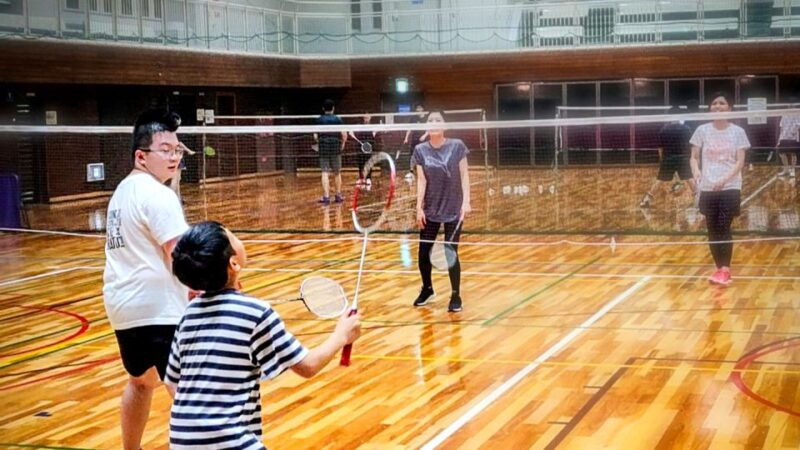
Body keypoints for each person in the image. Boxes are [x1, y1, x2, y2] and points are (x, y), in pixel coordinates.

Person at [167, 221, 361, 449]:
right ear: (233, 263)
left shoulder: (189, 314)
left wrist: (200, 422)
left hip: (181, 439)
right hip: (231, 439)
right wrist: (341, 335)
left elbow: (172, 380)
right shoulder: (256, 313)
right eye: (233, 237)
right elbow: (308, 366)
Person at [103, 109, 190, 450]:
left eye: (177, 149)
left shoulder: (122, 192)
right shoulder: (157, 195)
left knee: (141, 382)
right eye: (165, 150)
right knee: (187, 393)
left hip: (124, 307)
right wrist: (210, 288)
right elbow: (179, 254)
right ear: (141, 156)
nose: (174, 157)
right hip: (160, 311)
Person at [411, 111, 471, 312]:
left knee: (450, 252)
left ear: (445, 125)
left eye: (438, 120)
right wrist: (419, 208)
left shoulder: (457, 146)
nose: (434, 123)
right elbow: (421, 181)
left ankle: (455, 295)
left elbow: (464, 175)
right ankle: (427, 289)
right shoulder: (420, 150)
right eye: (430, 120)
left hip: (454, 207)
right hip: (431, 208)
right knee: (423, 253)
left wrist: (466, 202)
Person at [690, 93, 751, 286]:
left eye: (722, 103)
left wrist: (724, 180)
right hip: (707, 187)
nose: (717, 106)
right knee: (712, 229)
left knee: (723, 225)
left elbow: (740, 162)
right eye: (714, 103)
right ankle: (719, 269)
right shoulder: (701, 130)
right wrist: (696, 170)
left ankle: (725, 270)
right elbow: (693, 156)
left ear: (729, 108)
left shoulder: (738, 132)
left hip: (730, 186)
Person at [640, 105, 696, 208]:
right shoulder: (686, 129)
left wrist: (662, 160)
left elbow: (660, 148)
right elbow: (691, 145)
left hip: (668, 158)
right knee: (689, 178)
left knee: (660, 179)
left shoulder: (663, 129)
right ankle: (699, 198)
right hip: (683, 158)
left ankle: (647, 199)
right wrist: (691, 158)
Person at [313, 99, 347, 204]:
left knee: (324, 172)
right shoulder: (338, 119)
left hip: (323, 147)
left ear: (323, 108)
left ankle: (326, 197)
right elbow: (344, 134)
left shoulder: (318, 120)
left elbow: (315, 136)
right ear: (333, 108)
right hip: (335, 147)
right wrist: (343, 144)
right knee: (337, 172)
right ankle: (338, 196)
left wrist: (320, 142)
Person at [349, 113, 377, 187]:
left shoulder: (373, 127)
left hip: (369, 147)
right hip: (360, 147)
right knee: (361, 163)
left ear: (370, 118)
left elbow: (373, 136)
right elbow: (351, 131)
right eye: (365, 117)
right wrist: (351, 133)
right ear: (363, 118)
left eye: (367, 117)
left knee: (369, 163)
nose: (366, 119)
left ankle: (368, 178)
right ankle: (361, 178)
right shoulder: (360, 126)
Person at [402, 104, 429, 182]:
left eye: (419, 108)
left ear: (422, 109)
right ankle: (411, 170)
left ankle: (425, 170)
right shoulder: (413, 118)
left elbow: (429, 128)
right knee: (412, 154)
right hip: (415, 139)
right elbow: (409, 128)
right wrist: (406, 138)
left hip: (423, 139)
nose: (418, 109)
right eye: (417, 108)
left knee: (424, 155)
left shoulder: (426, 118)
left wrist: (425, 135)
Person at [776, 102, 800, 179]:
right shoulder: (784, 115)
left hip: (793, 138)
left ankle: (792, 170)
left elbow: (798, 126)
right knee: (781, 153)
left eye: (792, 107)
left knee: (793, 154)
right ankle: (786, 169)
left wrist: (794, 133)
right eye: (790, 107)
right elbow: (781, 127)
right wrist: (779, 139)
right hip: (784, 137)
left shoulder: (797, 115)